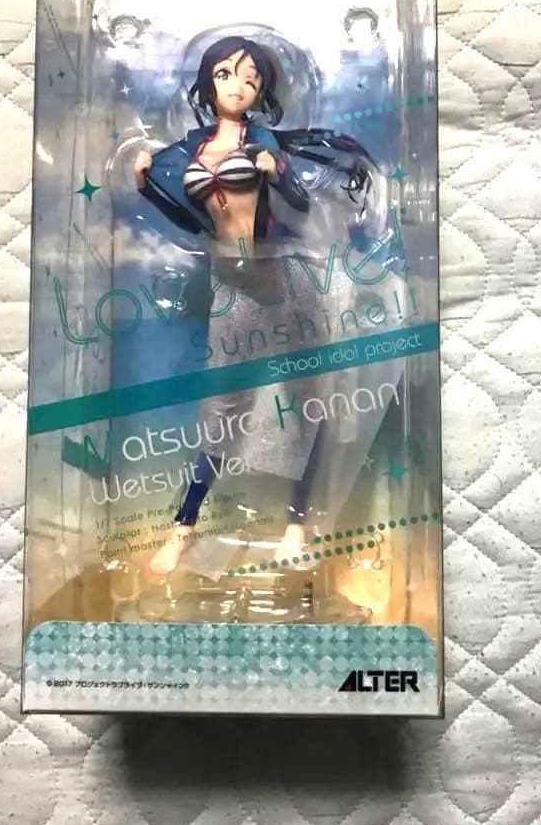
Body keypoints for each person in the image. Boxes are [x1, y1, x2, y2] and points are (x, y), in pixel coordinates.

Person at [134, 35, 378, 575]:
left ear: (262, 89)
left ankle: (297, 525)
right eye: (226, 74)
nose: (238, 86)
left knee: (306, 400)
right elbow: (189, 216)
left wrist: (277, 172)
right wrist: (146, 185)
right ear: (207, 81)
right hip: (233, 284)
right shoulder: (191, 149)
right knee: (221, 410)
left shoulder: (262, 141)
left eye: (251, 78)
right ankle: (182, 527)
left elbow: (296, 202)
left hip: (288, 277)